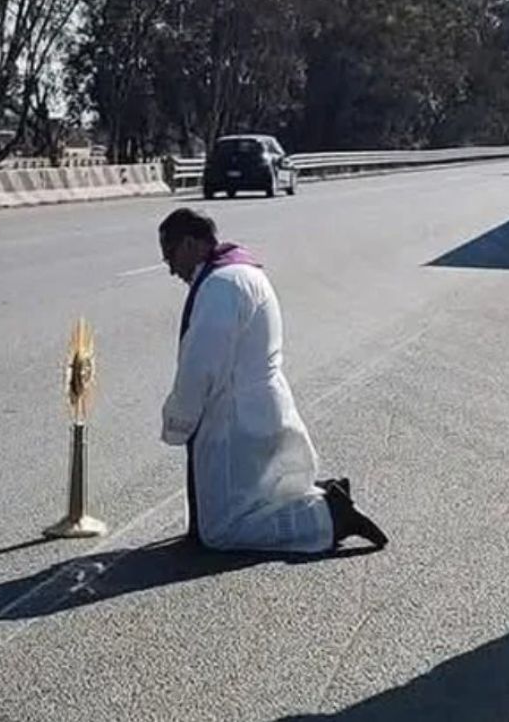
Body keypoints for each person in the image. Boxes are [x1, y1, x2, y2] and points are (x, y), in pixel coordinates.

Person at [157, 208, 387, 553]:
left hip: (237, 423)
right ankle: (324, 497)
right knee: (253, 500)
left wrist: (178, 422)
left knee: (222, 530)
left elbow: (200, 365)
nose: (172, 269)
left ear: (190, 244)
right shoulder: (241, 274)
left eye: (170, 256)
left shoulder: (222, 285)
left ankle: (327, 515)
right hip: (256, 409)